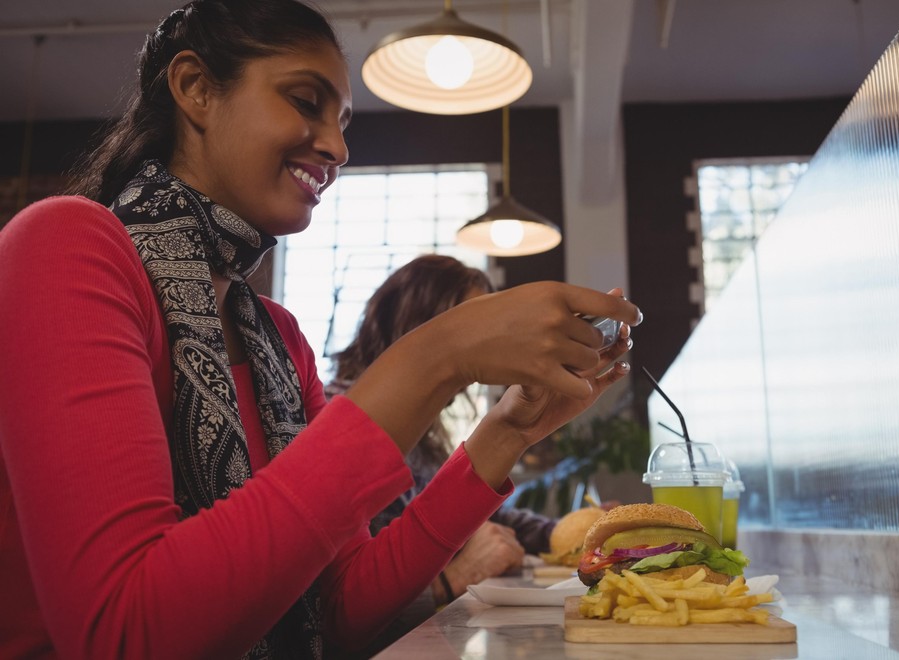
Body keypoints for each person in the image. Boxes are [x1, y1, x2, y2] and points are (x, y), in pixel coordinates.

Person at [0, 1, 641, 658]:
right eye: (306, 102)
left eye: (342, 123)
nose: (337, 146)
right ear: (195, 88)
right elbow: (126, 633)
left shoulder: (279, 340)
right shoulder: (64, 247)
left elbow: (333, 614)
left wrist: (508, 432)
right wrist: (436, 354)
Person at [326, 256, 556, 620]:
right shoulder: (332, 416)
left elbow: (472, 515)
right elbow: (334, 607)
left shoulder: (426, 433)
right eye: (469, 334)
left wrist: (563, 533)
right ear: (415, 327)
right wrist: (451, 581)